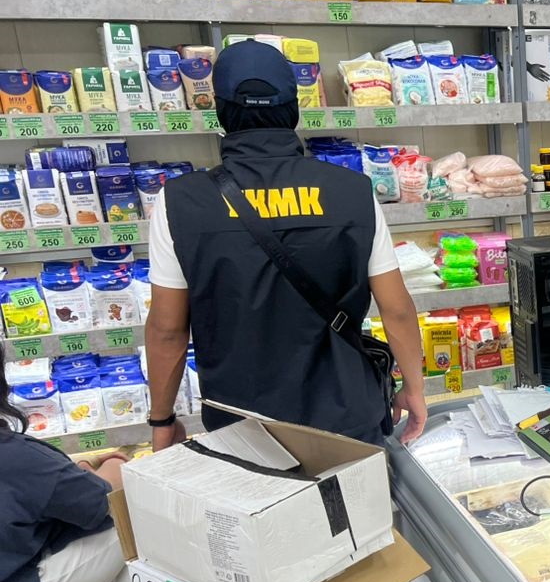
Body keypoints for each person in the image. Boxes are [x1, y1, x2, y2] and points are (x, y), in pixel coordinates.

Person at [145, 40, 427, 451]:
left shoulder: (179, 202)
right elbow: (397, 309)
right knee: (356, 496)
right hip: (347, 420)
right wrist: (414, 389)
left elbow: (168, 330)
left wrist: (162, 420)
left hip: (241, 429)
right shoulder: (351, 191)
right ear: (293, 108)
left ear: (220, 111)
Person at [0, 361, 133, 582]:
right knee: (135, 516)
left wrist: (81, 469)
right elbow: (100, 499)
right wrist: (116, 462)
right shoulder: (15, 454)